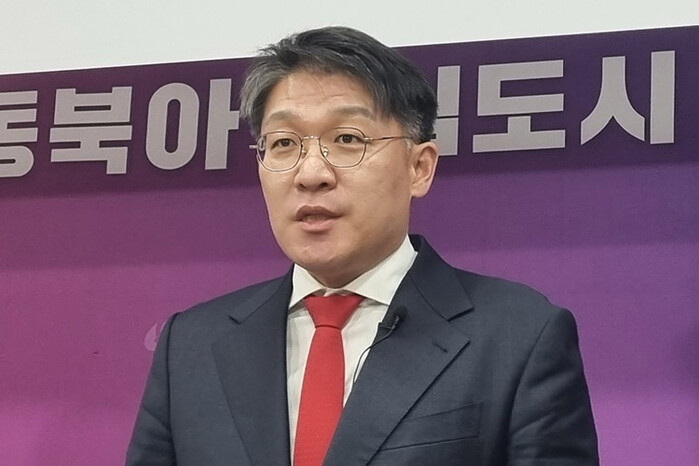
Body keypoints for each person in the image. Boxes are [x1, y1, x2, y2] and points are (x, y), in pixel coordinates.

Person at [126, 26, 598, 466]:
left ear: (419, 167)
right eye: (284, 143)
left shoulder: (519, 335)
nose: (311, 174)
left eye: (347, 139)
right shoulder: (191, 344)